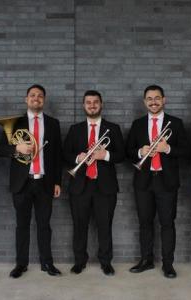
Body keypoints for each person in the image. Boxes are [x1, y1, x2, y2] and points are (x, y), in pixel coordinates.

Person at [0, 84, 62, 278]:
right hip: (21, 183)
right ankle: (21, 264)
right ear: (26, 99)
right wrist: (17, 148)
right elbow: (0, 149)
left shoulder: (53, 123)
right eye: (32, 95)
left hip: (44, 182)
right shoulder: (15, 123)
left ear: (44, 100)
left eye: (40, 96)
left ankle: (47, 263)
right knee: (22, 225)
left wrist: (57, 182)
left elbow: (57, 155)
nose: (36, 98)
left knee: (44, 225)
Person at [126, 85, 188, 278]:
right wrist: (140, 152)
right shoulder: (137, 124)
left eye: (157, 98)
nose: (153, 102)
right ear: (145, 102)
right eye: (149, 99)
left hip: (166, 181)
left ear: (164, 100)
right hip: (143, 181)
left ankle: (168, 264)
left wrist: (167, 149)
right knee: (145, 223)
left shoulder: (176, 123)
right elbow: (128, 152)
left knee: (167, 223)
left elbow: (186, 152)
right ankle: (146, 260)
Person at [63, 90, 125, 276]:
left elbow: (122, 155)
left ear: (101, 104)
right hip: (80, 185)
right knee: (79, 225)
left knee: (105, 225)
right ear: (84, 105)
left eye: (95, 102)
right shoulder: (75, 129)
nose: (92, 105)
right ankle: (79, 261)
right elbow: (64, 154)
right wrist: (77, 157)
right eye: (88, 102)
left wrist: (104, 155)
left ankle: (106, 262)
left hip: (104, 187)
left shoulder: (112, 128)